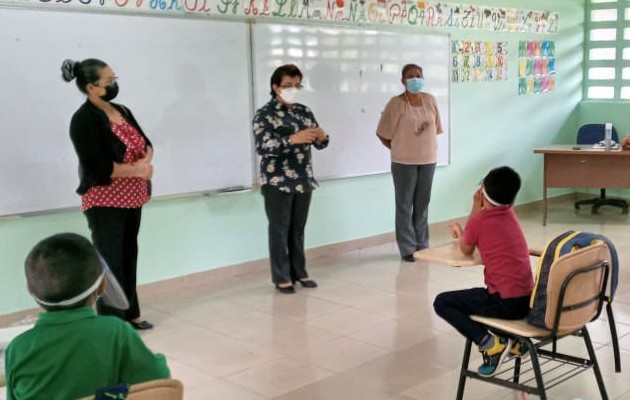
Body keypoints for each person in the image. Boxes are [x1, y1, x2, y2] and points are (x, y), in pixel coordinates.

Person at [4, 233, 170, 400]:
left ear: (30, 289)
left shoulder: (18, 348)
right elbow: (159, 377)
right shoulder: (115, 332)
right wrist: (158, 359)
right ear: (102, 286)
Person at [62, 58, 154, 329]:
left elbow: (146, 143)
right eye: (109, 81)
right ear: (91, 87)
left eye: (115, 78)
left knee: (128, 254)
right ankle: (112, 323)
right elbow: (97, 168)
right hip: (105, 199)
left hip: (133, 196)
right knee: (109, 262)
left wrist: (145, 162)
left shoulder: (121, 109)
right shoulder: (83, 120)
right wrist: (136, 170)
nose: (115, 85)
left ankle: (132, 312)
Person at [433, 166, 534, 377]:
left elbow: (466, 249)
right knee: (478, 299)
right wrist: (466, 231)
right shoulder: (510, 214)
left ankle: (490, 344)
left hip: (504, 302)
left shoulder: (479, 220)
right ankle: (513, 344)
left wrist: (474, 208)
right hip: (525, 300)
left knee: (443, 302)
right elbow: (488, 241)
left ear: (481, 192)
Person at [252, 64, 329, 294]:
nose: (292, 89)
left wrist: (322, 137)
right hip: (277, 181)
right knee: (279, 229)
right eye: (287, 85)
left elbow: (319, 142)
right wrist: (292, 139)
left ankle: (300, 272)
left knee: (298, 229)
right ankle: (282, 277)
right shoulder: (264, 114)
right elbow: (263, 147)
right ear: (275, 87)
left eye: (296, 85)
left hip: (303, 178)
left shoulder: (304, 111)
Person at [376, 63, 443, 262]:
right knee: (404, 205)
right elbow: (382, 133)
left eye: (418, 75)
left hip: (428, 160)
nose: (415, 79)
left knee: (422, 204)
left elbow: (436, 129)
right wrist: (399, 148)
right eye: (411, 76)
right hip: (403, 162)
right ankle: (407, 248)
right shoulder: (395, 103)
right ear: (403, 81)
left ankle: (422, 245)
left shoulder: (430, 100)